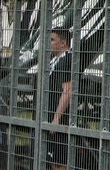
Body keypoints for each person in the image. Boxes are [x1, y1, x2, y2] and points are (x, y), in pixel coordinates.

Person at [46, 29, 73, 170]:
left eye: (52, 40)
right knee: (52, 159)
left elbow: (67, 91)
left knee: (59, 162)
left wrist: (56, 118)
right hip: (49, 116)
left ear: (63, 43)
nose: (49, 43)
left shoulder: (67, 59)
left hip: (60, 120)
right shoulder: (56, 60)